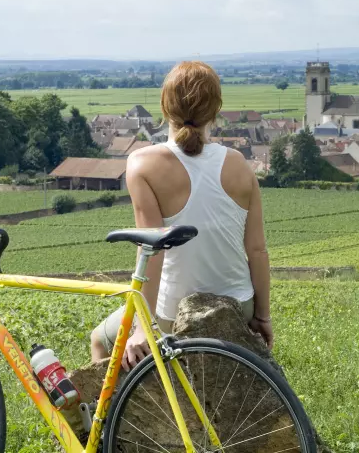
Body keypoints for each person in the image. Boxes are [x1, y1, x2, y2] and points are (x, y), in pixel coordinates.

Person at [91, 61, 272, 371]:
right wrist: (262, 316)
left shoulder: (142, 164)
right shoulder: (240, 164)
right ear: (215, 110)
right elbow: (257, 251)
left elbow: (153, 250)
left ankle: (109, 418)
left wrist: (142, 328)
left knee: (99, 339)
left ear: (165, 107)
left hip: (172, 312)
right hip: (238, 306)